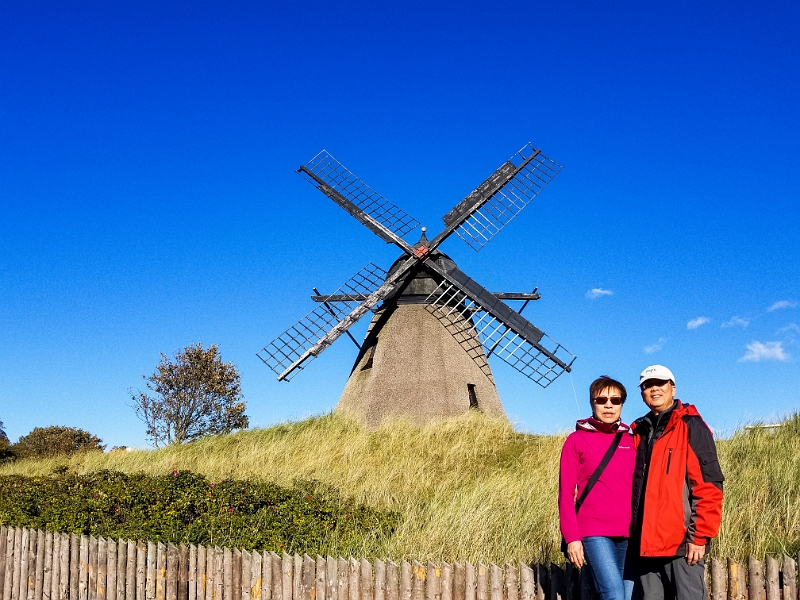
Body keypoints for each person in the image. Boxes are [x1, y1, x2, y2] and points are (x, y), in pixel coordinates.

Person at [630, 365, 724, 600]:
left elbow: (709, 486)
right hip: (644, 545)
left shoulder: (691, 425)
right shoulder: (638, 431)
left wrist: (699, 536)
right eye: (648, 386)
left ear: (672, 388)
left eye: (660, 384)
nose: (654, 390)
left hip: (681, 544)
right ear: (641, 392)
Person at [559, 375, 637, 600]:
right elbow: (566, 494)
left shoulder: (631, 440)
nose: (609, 405)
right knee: (614, 595)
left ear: (622, 403)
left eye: (616, 400)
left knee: (627, 595)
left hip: (628, 533)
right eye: (602, 400)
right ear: (592, 403)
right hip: (594, 531)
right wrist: (572, 538)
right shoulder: (576, 440)